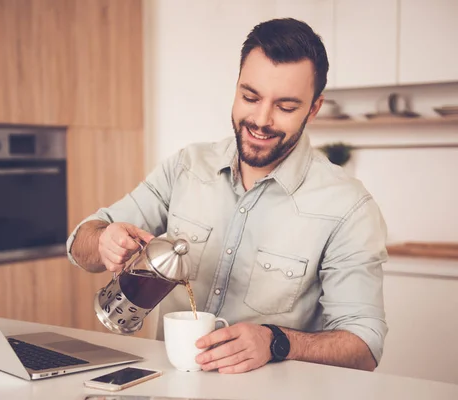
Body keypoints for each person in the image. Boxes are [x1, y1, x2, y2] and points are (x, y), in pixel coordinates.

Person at [66, 18, 388, 374]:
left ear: (313, 108)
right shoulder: (187, 167)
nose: (261, 120)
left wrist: (276, 341)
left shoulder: (348, 206)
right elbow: (80, 244)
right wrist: (104, 241)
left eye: (285, 107)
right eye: (250, 97)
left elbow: (364, 345)